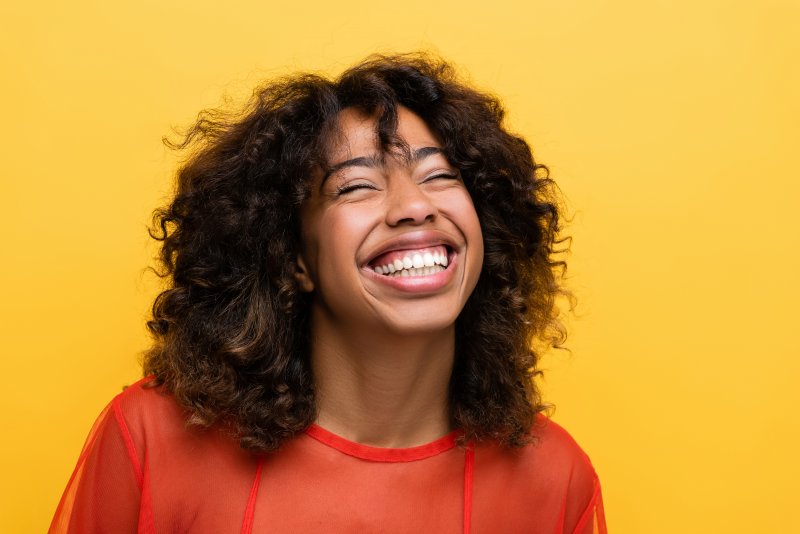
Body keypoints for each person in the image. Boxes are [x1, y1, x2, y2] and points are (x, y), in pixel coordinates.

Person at [50, 53, 607, 533]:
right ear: (294, 258)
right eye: (357, 185)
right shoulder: (151, 441)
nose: (415, 206)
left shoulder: (553, 480)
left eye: (440, 176)